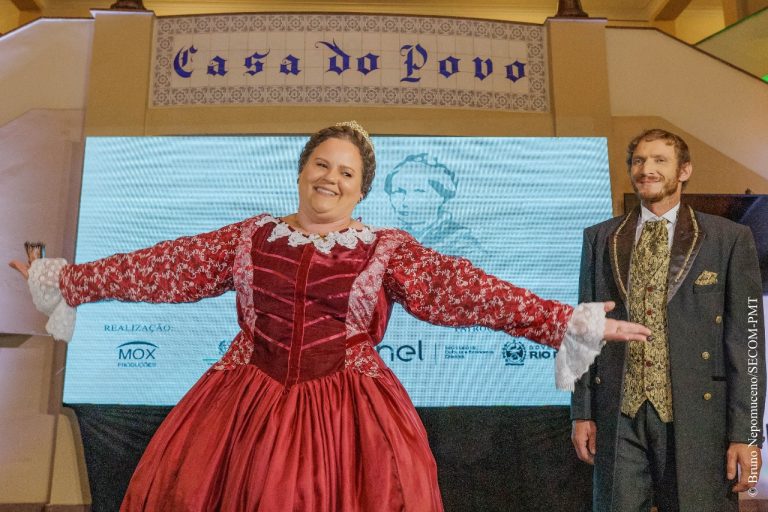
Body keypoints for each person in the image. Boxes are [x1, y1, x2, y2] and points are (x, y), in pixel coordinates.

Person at [11, 122, 649, 512]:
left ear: (361, 189)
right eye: (322, 164)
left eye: (346, 172)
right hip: (244, 402)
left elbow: (467, 291)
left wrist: (566, 320)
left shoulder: (387, 249)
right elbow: (162, 267)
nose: (330, 178)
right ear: (301, 171)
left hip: (350, 411)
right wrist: (66, 279)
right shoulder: (248, 237)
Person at [570, 128, 766, 512]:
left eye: (660, 160)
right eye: (639, 161)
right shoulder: (601, 238)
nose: (647, 169)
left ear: (684, 170)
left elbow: (748, 341)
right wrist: (582, 412)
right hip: (620, 414)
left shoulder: (728, 239)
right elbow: (584, 330)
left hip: (700, 416)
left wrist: (748, 433)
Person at [384, 152, 485, 262]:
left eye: (418, 192)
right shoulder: (392, 239)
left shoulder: (462, 244)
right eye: (398, 191)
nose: (405, 201)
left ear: (441, 196)